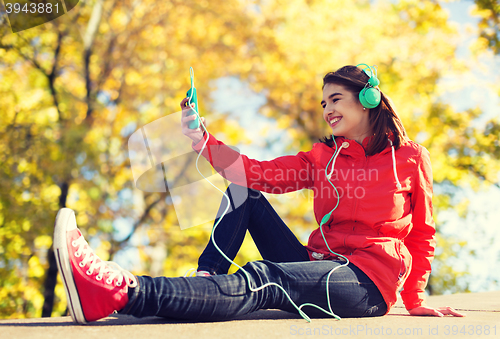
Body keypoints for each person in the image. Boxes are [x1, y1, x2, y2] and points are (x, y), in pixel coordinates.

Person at [54, 65, 464, 324]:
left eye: (335, 99)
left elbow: (423, 232)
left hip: (365, 283)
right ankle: (207, 280)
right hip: (317, 264)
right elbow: (255, 174)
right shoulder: (323, 157)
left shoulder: (410, 158)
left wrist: (414, 298)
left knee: (266, 278)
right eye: (323, 102)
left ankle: (122, 292)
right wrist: (202, 140)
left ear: (369, 99)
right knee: (243, 192)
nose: (327, 109)